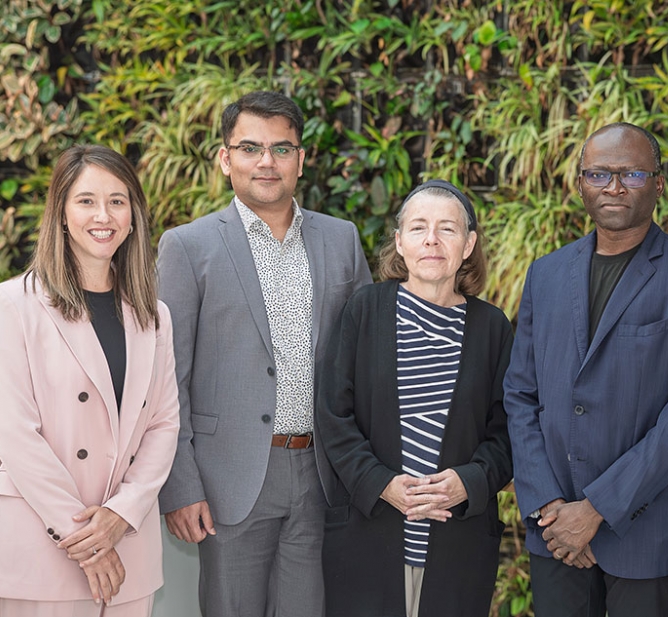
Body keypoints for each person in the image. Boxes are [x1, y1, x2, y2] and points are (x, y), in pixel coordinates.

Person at [504, 122, 668, 616]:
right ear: (581, 182)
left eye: (631, 173)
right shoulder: (546, 274)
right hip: (555, 528)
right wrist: (549, 507)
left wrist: (596, 510)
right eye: (599, 174)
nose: (613, 186)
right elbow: (520, 395)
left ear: (658, 182)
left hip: (645, 530)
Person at [157, 91, 372, 617]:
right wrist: (179, 487)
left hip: (322, 474)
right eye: (250, 147)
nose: (266, 161)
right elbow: (166, 379)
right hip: (227, 478)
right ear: (226, 158)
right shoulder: (188, 246)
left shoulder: (340, 239)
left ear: (301, 158)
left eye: (281, 148)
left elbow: (365, 362)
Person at [316, 179, 513, 617]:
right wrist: (380, 484)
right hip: (369, 537)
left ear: (468, 244)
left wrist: (471, 480)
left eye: (448, 228)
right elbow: (333, 414)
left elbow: (508, 433)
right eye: (419, 227)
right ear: (400, 242)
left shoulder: (492, 327)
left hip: (456, 544)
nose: (432, 240)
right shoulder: (364, 309)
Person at [0, 145, 180, 616]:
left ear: (134, 216)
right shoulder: (13, 306)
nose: (104, 215)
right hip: (45, 543)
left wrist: (121, 514)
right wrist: (88, 540)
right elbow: (15, 434)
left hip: (129, 547)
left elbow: (163, 425)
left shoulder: (153, 315)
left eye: (117, 201)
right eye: (86, 201)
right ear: (60, 212)